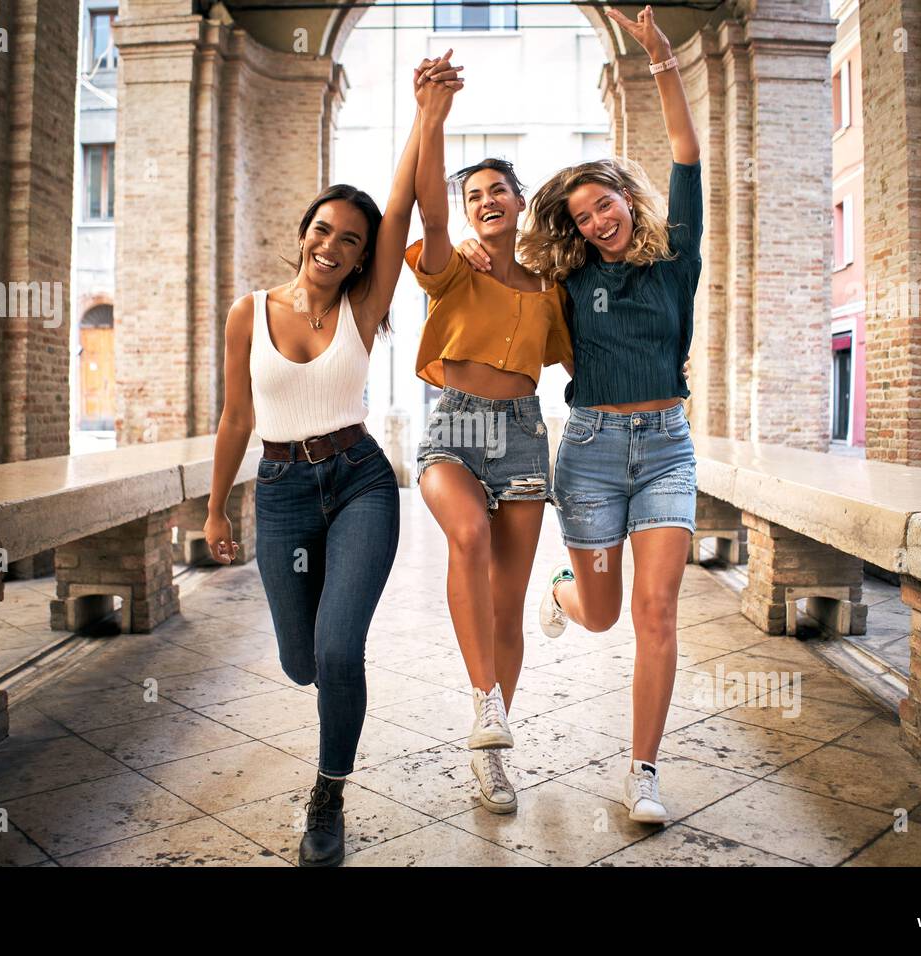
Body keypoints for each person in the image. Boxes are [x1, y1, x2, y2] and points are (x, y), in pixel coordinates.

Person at [204, 54, 463, 865]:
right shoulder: (250, 313)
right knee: (299, 661)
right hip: (280, 492)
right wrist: (215, 508)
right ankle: (325, 694)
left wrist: (427, 114)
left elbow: (402, 207)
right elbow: (236, 416)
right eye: (323, 230)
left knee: (338, 651)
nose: (334, 244)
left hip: (359, 483)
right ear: (304, 233)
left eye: (350, 241)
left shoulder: (365, 305)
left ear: (361, 259)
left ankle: (328, 792)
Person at [460, 5, 701, 825]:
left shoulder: (676, 261)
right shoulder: (564, 281)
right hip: (593, 451)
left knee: (656, 611)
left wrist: (662, 58)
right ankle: (564, 593)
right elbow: (502, 279)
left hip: (667, 448)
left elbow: (686, 154)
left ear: (628, 200)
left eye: (608, 205)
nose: (600, 220)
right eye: (585, 214)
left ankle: (643, 773)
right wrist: (471, 248)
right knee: (601, 616)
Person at [404, 57, 573, 814]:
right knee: (467, 535)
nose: (484, 202)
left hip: (525, 437)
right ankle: (483, 704)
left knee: (509, 604)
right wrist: (431, 117)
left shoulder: (550, 288)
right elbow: (428, 218)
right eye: (474, 196)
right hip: (453, 426)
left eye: (497, 189)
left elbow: (588, 356)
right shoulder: (453, 267)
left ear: (519, 199)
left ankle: (493, 756)